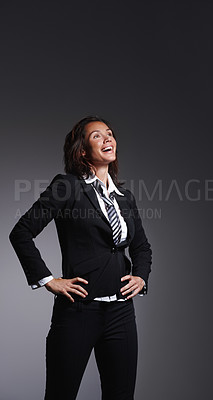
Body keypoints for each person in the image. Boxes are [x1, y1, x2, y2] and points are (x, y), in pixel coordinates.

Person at [9, 115, 152, 400]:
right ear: (82, 150)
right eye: (97, 135)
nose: (108, 138)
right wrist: (48, 280)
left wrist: (141, 276)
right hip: (78, 312)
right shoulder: (67, 187)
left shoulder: (125, 197)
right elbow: (21, 232)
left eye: (109, 133)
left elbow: (141, 247)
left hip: (121, 313)